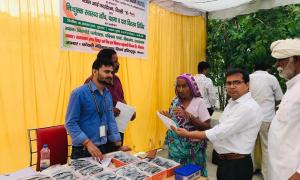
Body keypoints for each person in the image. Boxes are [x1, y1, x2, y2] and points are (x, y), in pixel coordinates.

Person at [172, 68, 263, 180]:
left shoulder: (247, 107)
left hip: (236, 165)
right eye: (229, 83)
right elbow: (220, 129)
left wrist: (190, 134)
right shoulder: (232, 104)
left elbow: (219, 131)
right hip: (225, 162)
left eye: (237, 82)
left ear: (247, 85)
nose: (232, 86)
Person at [65, 56, 122, 160]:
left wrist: (118, 144)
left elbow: (110, 119)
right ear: (94, 71)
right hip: (83, 150)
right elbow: (70, 123)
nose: (110, 75)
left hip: (103, 148)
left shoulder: (107, 94)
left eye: (111, 72)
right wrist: (87, 143)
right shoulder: (79, 93)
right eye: (106, 72)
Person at [84, 49, 135, 152]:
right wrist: (110, 111)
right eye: (115, 61)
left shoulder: (117, 80)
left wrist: (129, 112)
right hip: (99, 135)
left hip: (117, 130)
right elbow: (87, 111)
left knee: (115, 162)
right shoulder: (89, 83)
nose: (118, 64)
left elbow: (121, 99)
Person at [160, 74, 211, 177]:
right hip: (175, 151)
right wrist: (169, 117)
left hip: (193, 153)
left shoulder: (199, 102)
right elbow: (176, 122)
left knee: (193, 176)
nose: (180, 89)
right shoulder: (175, 101)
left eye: (184, 86)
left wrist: (189, 117)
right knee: (177, 175)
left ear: (191, 87)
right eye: (178, 86)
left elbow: (207, 127)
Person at [268, 38, 300, 180]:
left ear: (296, 59)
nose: (277, 65)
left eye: (281, 60)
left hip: (291, 172)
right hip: (279, 169)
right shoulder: (293, 86)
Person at [249, 59, 283, 179]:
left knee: (250, 144)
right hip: (267, 118)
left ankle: (251, 169)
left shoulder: (248, 78)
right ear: (267, 69)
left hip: (250, 118)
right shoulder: (271, 78)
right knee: (266, 146)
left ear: (254, 68)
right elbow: (279, 98)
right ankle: (266, 174)